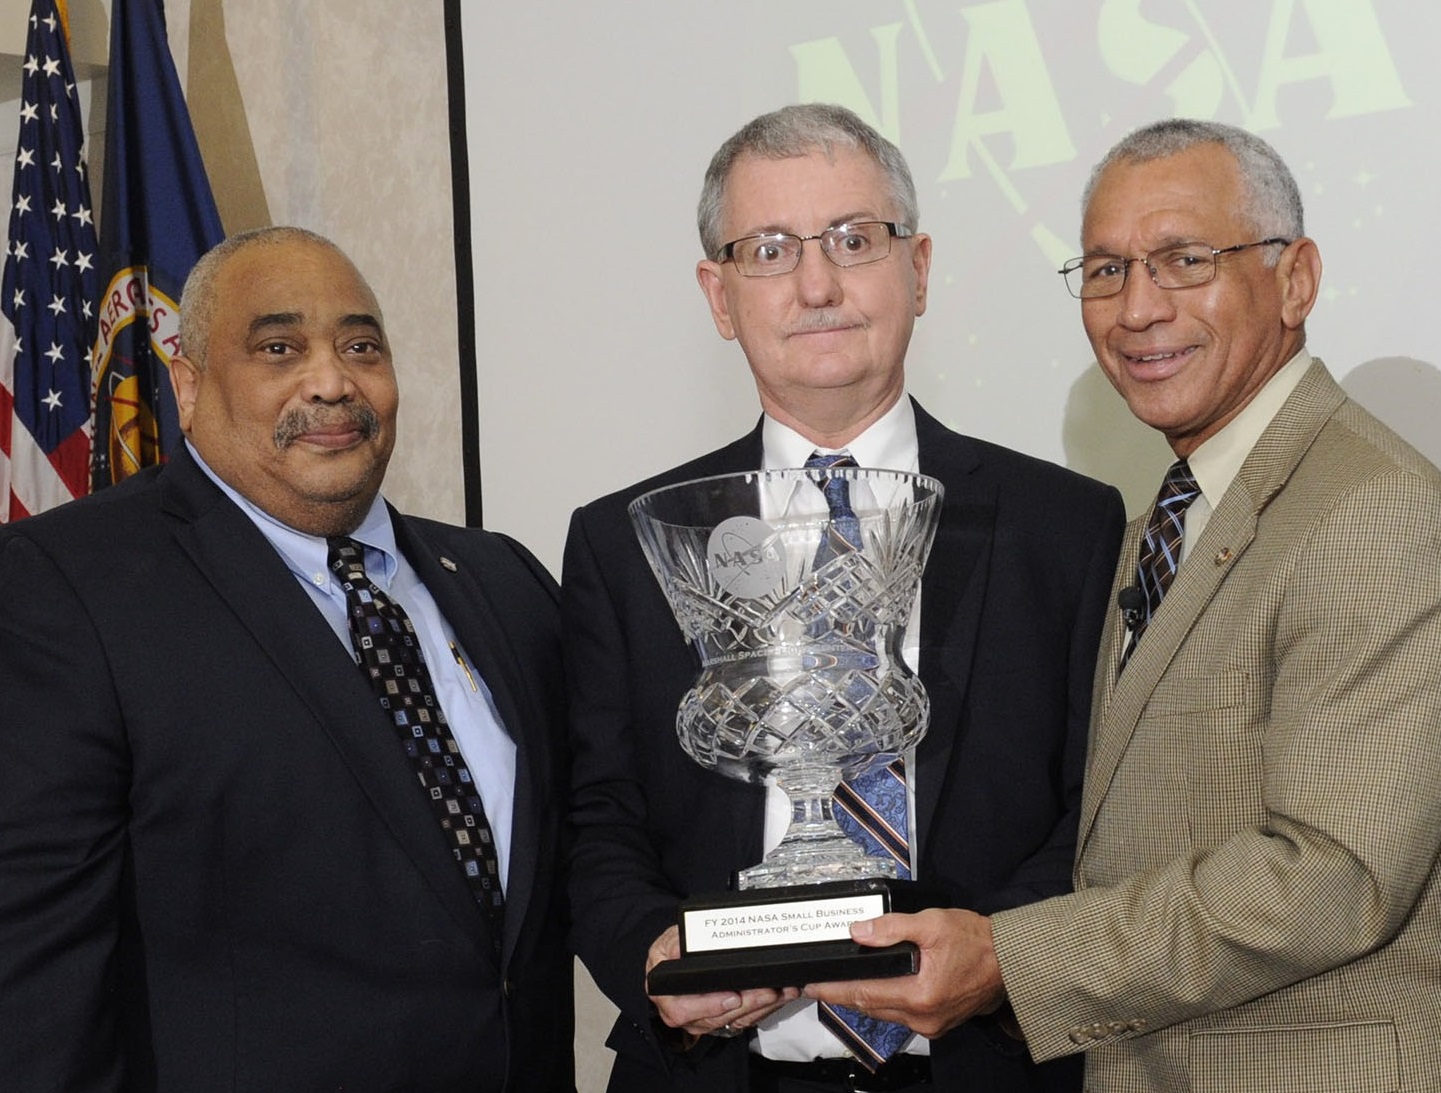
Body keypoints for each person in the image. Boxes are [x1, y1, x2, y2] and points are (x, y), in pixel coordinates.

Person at [807, 119, 1441, 1091]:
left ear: (1295, 278)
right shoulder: (1158, 521)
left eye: (1184, 260)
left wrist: (1010, 956)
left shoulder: (1371, 508)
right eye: (1104, 271)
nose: (1136, 308)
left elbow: (1330, 877)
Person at [565, 104, 1124, 1092]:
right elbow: (597, 822)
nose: (816, 284)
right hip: (719, 1073)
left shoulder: (1064, 528)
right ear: (719, 293)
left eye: (854, 241)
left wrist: (1000, 958)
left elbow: (1097, 813)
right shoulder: (623, 542)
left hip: (982, 1068)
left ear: (917, 268)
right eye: (769, 250)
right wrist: (654, 964)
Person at [0, 227, 574, 1092]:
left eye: (360, 345)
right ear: (187, 386)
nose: (333, 381)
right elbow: (35, 978)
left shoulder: (504, 579)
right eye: (279, 347)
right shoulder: (64, 586)